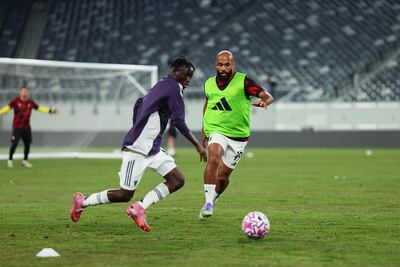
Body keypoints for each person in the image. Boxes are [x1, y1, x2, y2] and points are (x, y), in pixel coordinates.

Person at [70, 58, 207, 232]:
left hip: (153, 149)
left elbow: (139, 104)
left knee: (177, 180)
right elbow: (179, 121)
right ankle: (83, 201)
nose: (188, 79)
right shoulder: (174, 87)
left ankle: (140, 207)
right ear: (175, 71)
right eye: (185, 75)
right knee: (124, 194)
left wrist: (141, 127)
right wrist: (197, 145)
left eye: (190, 76)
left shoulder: (162, 84)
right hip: (138, 149)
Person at [199, 50, 273, 219]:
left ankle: (215, 198)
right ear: (215, 65)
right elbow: (207, 105)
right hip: (216, 130)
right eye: (220, 64)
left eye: (227, 64)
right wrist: (204, 130)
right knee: (214, 158)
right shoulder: (209, 83)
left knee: (223, 177)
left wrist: (264, 101)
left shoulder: (244, 81)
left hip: (238, 136)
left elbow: (267, 96)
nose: (223, 68)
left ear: (232, 65)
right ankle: (208, 202)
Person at [0, 86, 58, 168]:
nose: (24, 93)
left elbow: (39, 108)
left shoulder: (30, 102)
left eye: (26, 91)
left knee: (27, 144)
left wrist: (50, 111)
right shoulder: (15, 101)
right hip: (17, 127)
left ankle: (25, 161)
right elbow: (7, 108)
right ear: (20, 92)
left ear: (28, 93)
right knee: (14, 143)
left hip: (26, 127)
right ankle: (10, 160)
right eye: (23, 91)